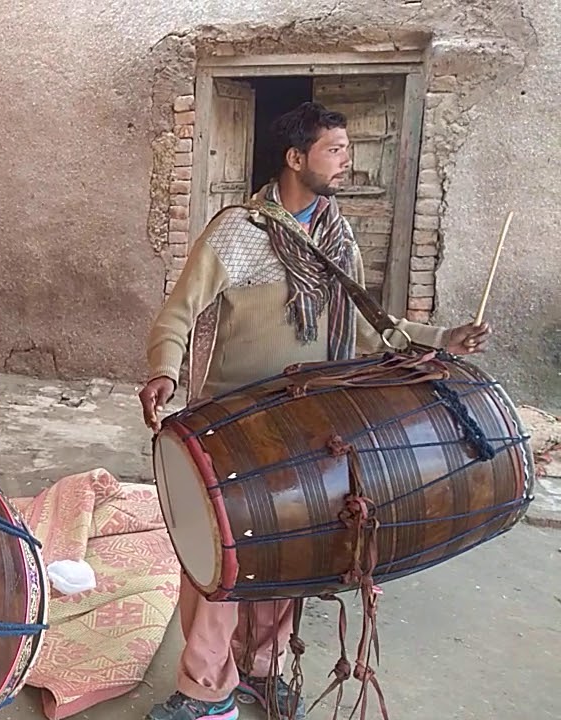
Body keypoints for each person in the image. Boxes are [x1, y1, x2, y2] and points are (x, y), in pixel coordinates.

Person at [138, 102, 491, 720]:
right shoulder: (237, 232)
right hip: (233, 425)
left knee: (287, 552)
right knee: (219, 559)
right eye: (335, 150)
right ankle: (204, 690)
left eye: (348, 149)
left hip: (306, 421)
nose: (347, 160)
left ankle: (263, 670)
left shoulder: (336, 237)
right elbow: (178, 314)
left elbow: (366, 329)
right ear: (296, 158)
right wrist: (164, 371)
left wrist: (442, 340)